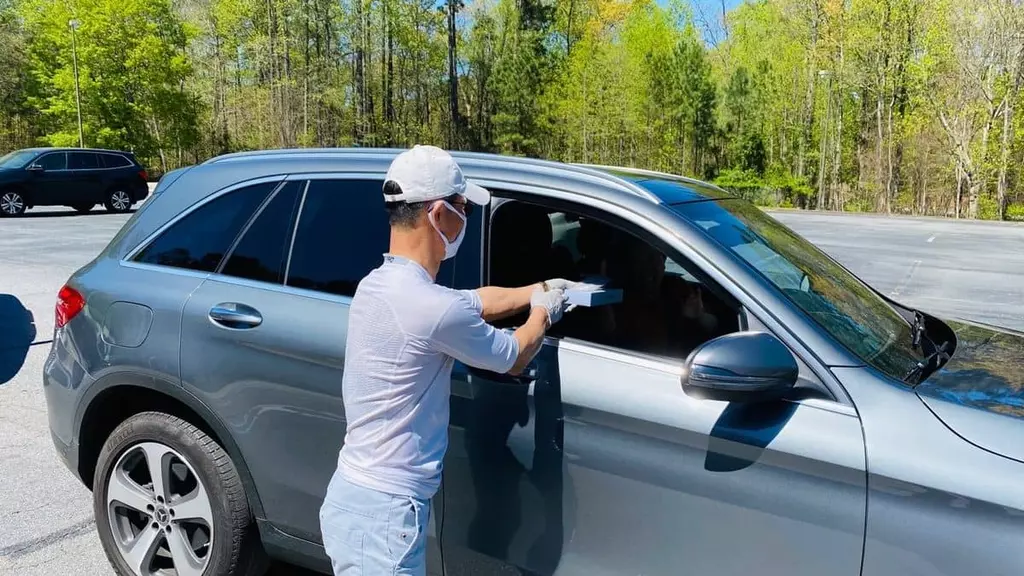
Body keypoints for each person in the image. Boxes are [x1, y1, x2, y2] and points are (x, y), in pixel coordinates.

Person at [319, 145, 576, 576]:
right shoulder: (431, 308)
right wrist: (544, 313)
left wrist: (540, 287)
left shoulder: (381, 285)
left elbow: (475, 301)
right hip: (386, 517)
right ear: (438, 215)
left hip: (355, 499)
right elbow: (514, 356)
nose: (466, 220)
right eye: (462, 208)